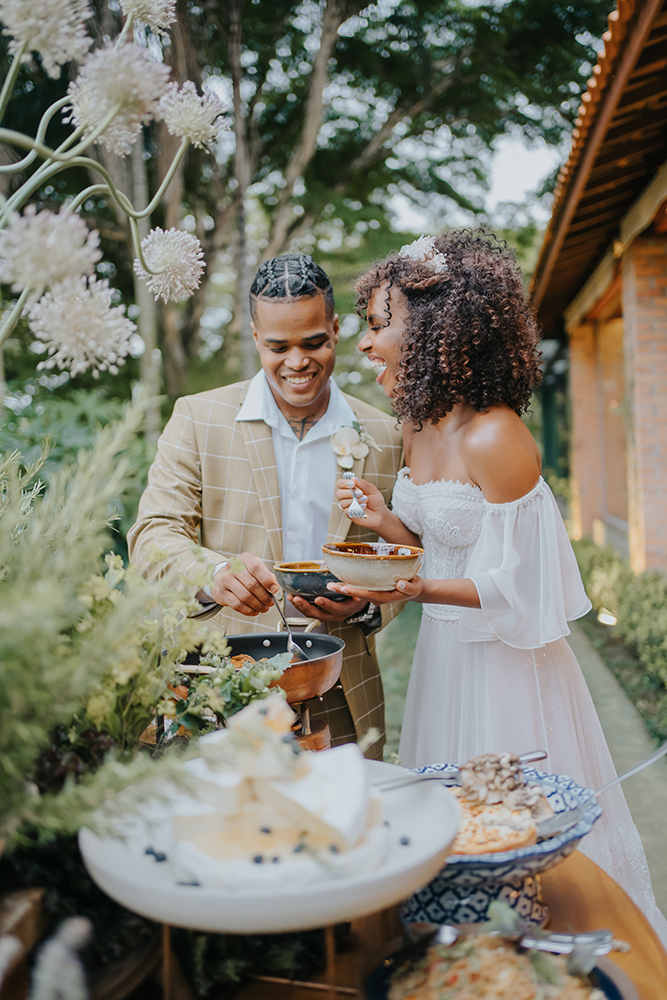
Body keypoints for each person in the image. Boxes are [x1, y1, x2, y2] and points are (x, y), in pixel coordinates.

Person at [332, 230, 667, 938]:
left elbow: (521, 590)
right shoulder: (418, 428)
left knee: (520, 838)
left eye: (378, 325)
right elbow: (434, 551)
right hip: (444, 659)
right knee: (453, 831)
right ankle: (461, 956)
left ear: (431, 328)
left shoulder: (496, 436)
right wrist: (386, 519)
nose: (363, 344)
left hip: (506, 663)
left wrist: (414, 591)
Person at [128, 253, 403, 759]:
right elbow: (152, 534)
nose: (297, 362)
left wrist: (367, 607)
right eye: (278, 346)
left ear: (337, 328)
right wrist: (213, 575)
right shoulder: (198, 417)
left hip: (343, 693)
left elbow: (405, 554)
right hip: (218, 690)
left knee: (341, 833)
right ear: (255, 337)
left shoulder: (387, 434)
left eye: (314, 342)